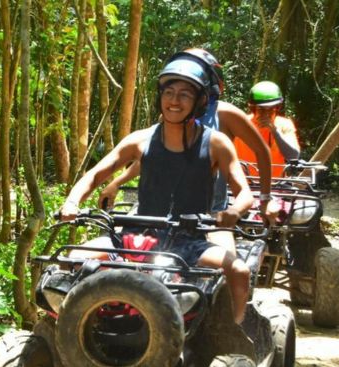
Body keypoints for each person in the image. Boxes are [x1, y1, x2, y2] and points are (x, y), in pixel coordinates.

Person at [60, 55, 254, 324]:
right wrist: (72, 202)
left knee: (240, 269)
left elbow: (244, 192)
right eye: (169, 92)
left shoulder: (216, 144)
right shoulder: (139, 140)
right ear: (160, 96)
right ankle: (70, 327)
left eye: (185, 94)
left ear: (200, 101)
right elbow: (94, 175)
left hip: (189, 241)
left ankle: (234, 330)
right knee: (72, 259)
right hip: (133, 237)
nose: (174, 101)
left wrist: (233, 211)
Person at [99, 49, 275, 231]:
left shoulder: (227, 114)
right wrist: (117, 182)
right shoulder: (172, 114)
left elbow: (262, 150)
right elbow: (153, 158)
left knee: (228, 258)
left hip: (213, 215)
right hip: (167, 214)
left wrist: (265, 199)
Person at [235, 81, 300, 177]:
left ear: (278, 108)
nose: (266, 114)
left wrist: (275, 132)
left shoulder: (284, 124)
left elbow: (293, 156)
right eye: (261, 109)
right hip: (244, 183)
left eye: (271, 109)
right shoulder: (240, 124)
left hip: (276, 185)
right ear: (252, 108)